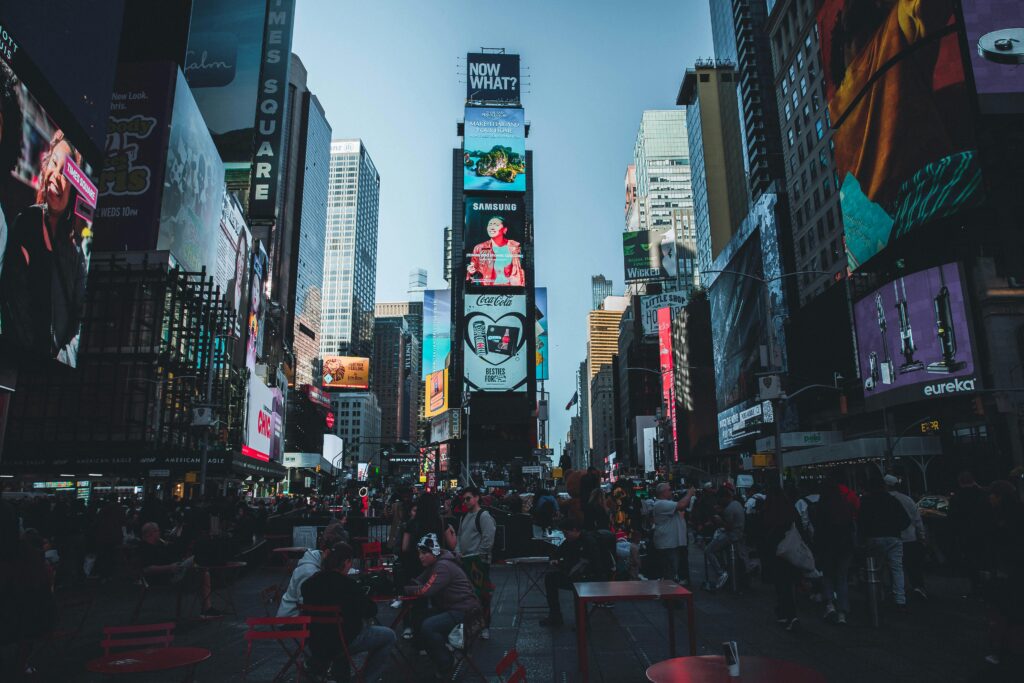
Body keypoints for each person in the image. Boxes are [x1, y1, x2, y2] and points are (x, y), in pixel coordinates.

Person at [0, 129, 89, 364]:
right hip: (17, 360)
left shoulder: (76, 256)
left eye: (66, 176)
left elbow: (81, 321)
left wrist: (59, 359)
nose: (55, 177)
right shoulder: (25, 223)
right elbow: (13, 299)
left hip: (49, 373)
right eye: (54, 164)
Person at [300, 542, 396, 682]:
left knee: (342, 630)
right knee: (389, 636)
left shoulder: (308, 584)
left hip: (316, 641)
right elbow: (370, 611)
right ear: (346, 562)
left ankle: (336, 673)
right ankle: (367, 679)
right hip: (344, 640)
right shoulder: (348, 585)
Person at [404, 533, 481, 679]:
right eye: (419, 553)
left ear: (434, 552)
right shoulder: (436, 564)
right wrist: (409, 585)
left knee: (428, 626)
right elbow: (418, 581)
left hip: (464, 611)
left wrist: (407, 589)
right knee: (419, 620)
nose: (420, 556)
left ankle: (447, 662)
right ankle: (443, 652)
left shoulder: (442, 566)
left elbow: (426, 590)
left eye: (424, 553)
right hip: (455, 608)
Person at [539, 518, 612, 627]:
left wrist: (563, 565)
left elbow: (591, 565)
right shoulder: (571, 540)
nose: (565, 536)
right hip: (579, 575)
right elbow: (558, 552)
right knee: (550, 579)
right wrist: (555, 559)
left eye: (566, 533)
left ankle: (582, 622)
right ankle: (555, 616)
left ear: (574, 530)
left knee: (577, 584)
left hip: (591, 577)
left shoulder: (589, 541)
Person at [138, 522, 219, 618]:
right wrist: (170, 567)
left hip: (171, 573)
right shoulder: (144, 548)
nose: (159, 533)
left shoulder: (159, 545)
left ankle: (207, 608)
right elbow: (147, 569)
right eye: (157, 531)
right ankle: (207, 608)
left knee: (202, 570)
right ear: (149, 534)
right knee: (202, 570)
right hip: (161, 578)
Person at [982, 480, 1024, 665]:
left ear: (999, 496)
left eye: (992, 495)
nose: (989, 498)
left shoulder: (999, 518)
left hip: (1007, 566)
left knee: (1004, 609)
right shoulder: (1018, 512)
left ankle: (1003, 649)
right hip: (1015, 565)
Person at [445, 486, 496, 639]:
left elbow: (488, 538)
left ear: (477, 497)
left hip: (478, 561)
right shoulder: (464, 517)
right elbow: (460, 537)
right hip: (465, 560)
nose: (466, 502)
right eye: (464, 499)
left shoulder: (484, 516)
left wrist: (480, 554)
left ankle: (485, 626)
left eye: (468, 498)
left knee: (483, 595)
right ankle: (472, 625)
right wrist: (459, 551)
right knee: (469, 595)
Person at [859, 474, 911, 611]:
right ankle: (900, 598)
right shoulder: (892, 501)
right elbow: (906, 520)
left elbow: (861, 522)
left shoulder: (866, 502)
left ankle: (878, 596)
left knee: (877, 569)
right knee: (897, 568)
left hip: (874, 537)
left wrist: (863, 538)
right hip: (893, 536)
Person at [277, 521, 349, 617]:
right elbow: (307, 606)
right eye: (338, 557)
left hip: (304, 616)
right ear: (327, 553)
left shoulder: (318, 559)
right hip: (292, 620)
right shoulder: (309, 572)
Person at [813, 477, 856, 624]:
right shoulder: (846, 505)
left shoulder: (822, 506)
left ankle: (830, 604)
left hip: (827, 546)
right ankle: (842, 612)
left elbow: (818, 530)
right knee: (842, 578)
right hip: (844, 547)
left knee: (828, 576)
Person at [759, 487, 802, 630]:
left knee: (781, 585)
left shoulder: (768, 511)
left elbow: (761, 531)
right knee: (789, 584)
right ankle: (789, 613)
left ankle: (787, 614)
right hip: (791, 551)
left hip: (776, 552)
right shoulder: (790, 510)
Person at [884, 474, 928, 599]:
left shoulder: (886, 499)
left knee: (895, 567)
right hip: (910, 537)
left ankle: (897, 591)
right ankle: (918, 587)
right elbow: (917, 519)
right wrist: (922, 535)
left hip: (893, 537)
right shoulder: (907, 499)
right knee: (913, 565)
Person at [643, 483, 694, 586]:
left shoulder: (666, 503)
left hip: (671, 543)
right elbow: (681, 505)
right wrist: (690, 494)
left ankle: (671, 596)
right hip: (668, 544)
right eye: (670, 490)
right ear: (663, 492)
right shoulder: (661, 504)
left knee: (672, 571)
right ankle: (670, 598)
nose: (672, 491)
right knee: (670, 573)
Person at [705, 486, 746, 589]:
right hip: (738, 534)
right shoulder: (737, 504)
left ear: (724, 497)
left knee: (708, 550)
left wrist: (719, 521)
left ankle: (721, 573)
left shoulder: (729, 509)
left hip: (732, 535)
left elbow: (728, 526)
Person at [465, 216, 524, 286]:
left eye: (496, 225)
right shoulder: (479, 248)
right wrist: (470, 271)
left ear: (505, 229)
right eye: (490, 225)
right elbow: (473, 272)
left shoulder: (515, 247)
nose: (492, 227)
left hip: (510, 290)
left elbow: (521, 271)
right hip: (487, 289)